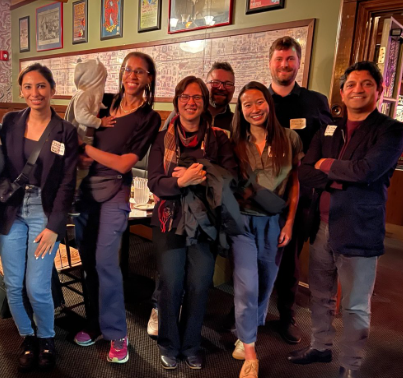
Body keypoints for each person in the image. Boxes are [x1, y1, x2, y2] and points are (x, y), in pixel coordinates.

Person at [288, 61, 403, 378]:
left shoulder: (391, 130)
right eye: (351, 84)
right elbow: (306, 171)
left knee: (354, 305)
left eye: (366, 84)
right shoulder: (330, 127)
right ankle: (320, 347)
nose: (358, 89)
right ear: (341, 91)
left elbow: (367, 171)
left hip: (358, 229)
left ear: (379, 91)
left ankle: (351, 365)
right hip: (321, 225)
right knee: (321, 295)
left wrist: (327, 164)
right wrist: (335, 173)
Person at [73, 52, 161, 364]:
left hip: (115, 191)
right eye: (128, 69)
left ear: (149, 77)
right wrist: (79, 153)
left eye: (141, 71)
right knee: (88, 263)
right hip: (87, 190)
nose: (133, 75)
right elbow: (80, 130)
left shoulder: (149, 117)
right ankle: (95, 323)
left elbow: (124, 164)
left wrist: (87, 149)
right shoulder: (104, 101)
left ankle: (117, 333)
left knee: (106, 263)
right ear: (121, 73)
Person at [147, 75, 238, 370]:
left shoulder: (219, 138)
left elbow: (229, 177)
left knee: (199, 285)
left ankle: (191, 344)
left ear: (205, 103)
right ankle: (169, 344)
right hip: (169, 221)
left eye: (197, 97)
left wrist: (187, 175)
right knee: (171, 284)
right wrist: (184, 179)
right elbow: (155, 183)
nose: (190, 102)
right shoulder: (161, 139)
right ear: (176, 102)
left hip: (205, 224)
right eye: (185, 97)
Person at [0, 63, 78, 371]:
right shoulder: (9, 122)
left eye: (41, 86)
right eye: (29, 87)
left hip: (43, 212)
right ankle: (27, 336)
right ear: (22, 91)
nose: (35, 92)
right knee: (13, 284)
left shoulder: (65, 131)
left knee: (37, 286)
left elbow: (67, 183)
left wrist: (53, 226)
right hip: (11, 210)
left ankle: (46, 338)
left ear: (53, 89)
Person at [230, 81, 303, 378]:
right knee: (246, 284)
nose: (254, 109)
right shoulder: (235, 142)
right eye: (247, 104)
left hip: (275, 222)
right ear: (241, 110)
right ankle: (250, 351)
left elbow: (296, 183)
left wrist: (289, 222)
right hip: (242, 222)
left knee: (265, 281)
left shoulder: (290, 138)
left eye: (259, 102)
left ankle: (247, 331)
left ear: (269, 104)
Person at [268, 36, 332, 344]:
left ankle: (286, 315)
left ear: (298, 62)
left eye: (290, 59)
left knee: (290, 259)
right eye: (279, 59)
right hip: (260, 195)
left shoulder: (315, 101)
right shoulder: (257, 99)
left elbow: (330, 142)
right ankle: (246, 311)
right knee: (253, 253)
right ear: (270, 63)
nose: (284, 64)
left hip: (300, 194)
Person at [65, 58, 116, 190]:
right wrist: (101, 122)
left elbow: (94, 105)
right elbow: (82, 116)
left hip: (85, 138)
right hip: (80, 137)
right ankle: (74, 195)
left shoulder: (89, 93)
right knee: (80, 171)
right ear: (96, 77)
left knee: (83, 171)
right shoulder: (85, 93)